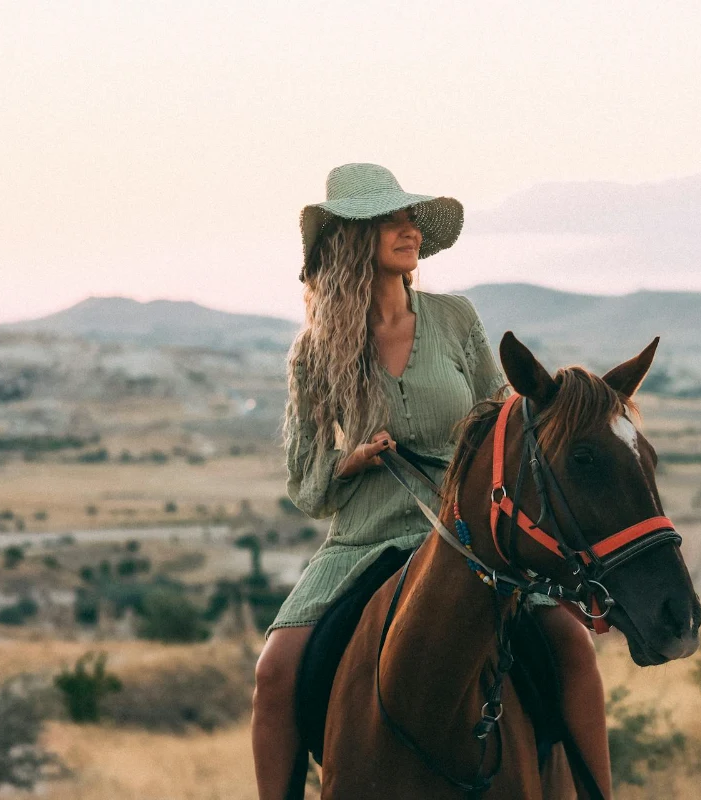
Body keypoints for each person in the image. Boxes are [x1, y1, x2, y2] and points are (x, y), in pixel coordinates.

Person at [251, 163, 613, 799]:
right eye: (390, 219)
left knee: (572, 647)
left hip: (469, 532)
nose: (409, 228)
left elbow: (505, 420)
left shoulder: (455, 318)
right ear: (352, 236)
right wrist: (353, 459)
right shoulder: (315, 352)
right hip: (364, 538)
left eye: (411, 216)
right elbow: (306, 485)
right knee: (275, 674)